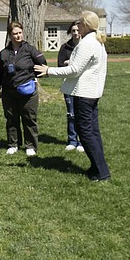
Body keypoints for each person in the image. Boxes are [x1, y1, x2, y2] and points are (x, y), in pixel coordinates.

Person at [36, 10, 110, 182]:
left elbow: (74, 70)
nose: (77, 25)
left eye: (79, 22)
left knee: (85, 132)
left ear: (85, 24)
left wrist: (49, 71)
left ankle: (102, 171)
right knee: (93, 131)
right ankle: (97, 166)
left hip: (84, 93)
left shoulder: (87, 43)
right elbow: (87, 66)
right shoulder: (97, 42)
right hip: (93, 93)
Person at [0, 22, 47, 157]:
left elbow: (43, 63)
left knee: (29, 118)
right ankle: (13, 144)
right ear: (10, 36)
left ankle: (31, 146)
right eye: (15, 33)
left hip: (28, 92)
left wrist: (33, 77)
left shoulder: (30, 49)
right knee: (11, 119)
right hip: (9, 92)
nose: (18, 36)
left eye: (20, 33)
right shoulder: (4, 53)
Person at [57, 21, 84, 152]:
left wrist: (71, 63)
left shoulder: (86, 46)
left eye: (78, 30)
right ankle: (72, 140)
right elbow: (60, 65)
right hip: (68, 84)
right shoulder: (65, 47)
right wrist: (70, 64)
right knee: (71, 114)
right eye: (73, 31)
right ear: (70, 32)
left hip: (84, 85)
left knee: (82, 114)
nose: (76, 33)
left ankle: (82, 142)